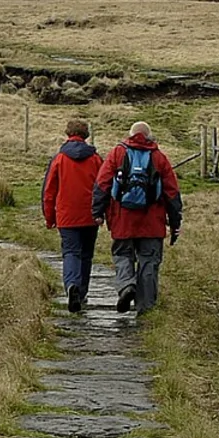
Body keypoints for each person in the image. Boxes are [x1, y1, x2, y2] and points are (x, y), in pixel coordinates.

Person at [92, 120, 182, 315]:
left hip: (122, 219)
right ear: (149, 136)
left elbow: (102, 184)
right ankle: (146, 309)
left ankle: (126, 286)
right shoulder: (159, 157)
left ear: (130, 134)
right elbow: (172, 193)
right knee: (149, 262)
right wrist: (175, 223)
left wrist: (97, 212)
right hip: (152, 221)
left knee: (122, 255)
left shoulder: (117, 153)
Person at [42, 119, 104, 313]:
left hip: (66, 215)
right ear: (86, 135)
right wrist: (103, 212)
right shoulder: (95, 159)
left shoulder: (59, 159)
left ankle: (71, 286)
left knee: (71, 252)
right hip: (90, 214)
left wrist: (50, 217)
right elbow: (103, 186)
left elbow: (49, 191)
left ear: (68, 134)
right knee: (86, 254)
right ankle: (82, 292)